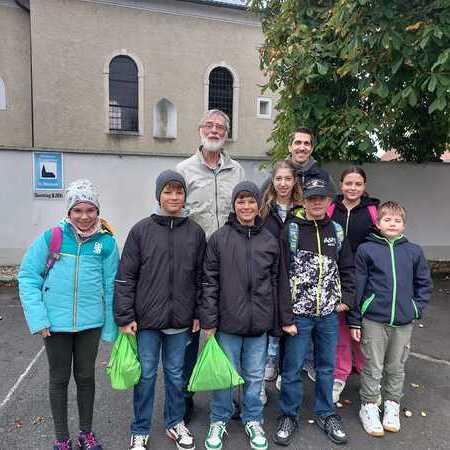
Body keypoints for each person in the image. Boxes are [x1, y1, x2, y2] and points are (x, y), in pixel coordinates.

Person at [18, 179, 119, 450]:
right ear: (69, 211)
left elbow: (112, 285)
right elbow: (28, 277)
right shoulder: (53, 237)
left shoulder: (106, 243)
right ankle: (62, 438)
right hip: (55, 325)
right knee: (59, 379)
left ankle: (86, 434)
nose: (84, 217)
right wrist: (39, 319)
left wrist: (110, 326)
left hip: (90, 324)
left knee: (86, 378)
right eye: (78, 210)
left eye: (90, 210)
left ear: (98, 211)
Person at [114, 170, 206, 450]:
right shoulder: (141, 231)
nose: (174, 197)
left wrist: (199, 312)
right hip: (147, 322)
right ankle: (140, 429)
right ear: (159, 195)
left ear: (185, 196)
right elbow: (125, 277)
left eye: (179, 192)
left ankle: (175, 422)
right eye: (168, 191)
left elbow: (201, 277)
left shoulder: (195, 232)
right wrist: (125, 316)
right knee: (146, 375)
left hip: (181, 321)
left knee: (177, 375)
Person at [274, 175, 355, 446]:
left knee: (326, 367)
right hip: (299, 315)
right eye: (311, 198)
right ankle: (288, 415)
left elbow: (347, 267)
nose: (316, 203)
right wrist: (286, 314)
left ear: (329, 200)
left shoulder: (336, 231)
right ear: (304, 201)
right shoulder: (292, 230)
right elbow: (281, 274)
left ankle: (325, 413)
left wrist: (347, 298)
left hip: (328, 314)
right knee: (292, 368)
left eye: (321, 198)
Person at [176, 109, 245, 423]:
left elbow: (245, 212)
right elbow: (175, 213)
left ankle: (229, 396)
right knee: (190, 333)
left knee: (229, 332)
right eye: (209, 125)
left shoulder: (237, 170)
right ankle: (184, 397)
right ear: (200, 130)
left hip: (229, 263)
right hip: (194, 263)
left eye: (220, 127)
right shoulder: (183, 170)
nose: (215, 131)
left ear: (226, 134)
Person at [200, 181, 279, 450]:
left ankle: (253, 418)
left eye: (251, 201)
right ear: (234, 205)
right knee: (225, 376)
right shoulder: (219, 238)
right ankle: (219, 419)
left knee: (255, 376)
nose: (246, 206)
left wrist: (274, 320)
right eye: (241, 201)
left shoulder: (269, 240)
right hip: (228, 323)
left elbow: (276, 282)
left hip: (259, 324)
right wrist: (209, 320)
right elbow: (209, 282)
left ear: (259, 205)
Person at [348, 201, 432, 437]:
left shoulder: (414, 251)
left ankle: (392, 404)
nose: (392, 224)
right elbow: (358, 286)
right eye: (387, 219)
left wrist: (415, 309)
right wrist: (355, 318)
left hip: (403, 322)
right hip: (374, 320)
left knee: (396, 366)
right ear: (378, 223)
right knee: (373, 366)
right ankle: (369, 405)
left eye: (397, 220)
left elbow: (424, 283)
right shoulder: (366, 250)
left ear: (404, 225)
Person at [326, 167, 380, 403]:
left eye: (358, 184)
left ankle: (365, 372)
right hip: (336, 277)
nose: (353, 188)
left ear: (364, 186)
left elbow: (381, 241)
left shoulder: (373, 211)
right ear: (341, 185)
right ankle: (340, 374)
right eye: (348, 183)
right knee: (340, 328)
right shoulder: (330, 208)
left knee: (362, 327)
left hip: (365, 278)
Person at [259, 160, 303, 403]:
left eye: (288, 179)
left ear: (294, 181)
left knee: (291, 325)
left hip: (297, 276)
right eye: (279, 179)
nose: (283, 183)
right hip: (270, 274)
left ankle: (284, 372)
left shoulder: (302, 209)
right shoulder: (264, 210)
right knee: (269, 322)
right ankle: (266, 365)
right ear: (272, 181)